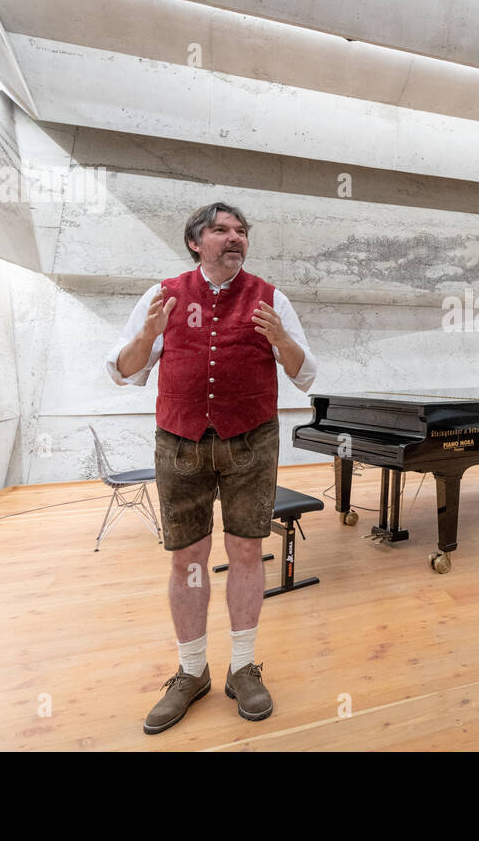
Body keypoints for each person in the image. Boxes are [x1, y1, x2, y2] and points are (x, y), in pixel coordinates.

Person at [104, 202, 316, 734]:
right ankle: (191, 671)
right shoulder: (164, 296)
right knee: (187, 559)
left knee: (246, 550)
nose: (235, 237)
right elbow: (123, 371)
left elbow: (305, 374)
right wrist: (145, 334)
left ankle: (242, 666)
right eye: (221, 230)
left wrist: (281, 340)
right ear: (195, 242)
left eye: (241, 230)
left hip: (251, 442)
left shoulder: (272, 298)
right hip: (180, 444)